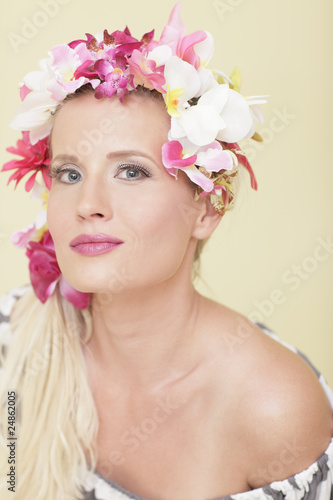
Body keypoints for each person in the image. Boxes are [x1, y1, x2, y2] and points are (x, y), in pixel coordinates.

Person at [0, 3, 332, 500]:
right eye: (69, 173)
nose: (88, 204)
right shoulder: (16, 337)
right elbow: (9, 475)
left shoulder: (272, 407)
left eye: (131, 171)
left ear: (207, 209)